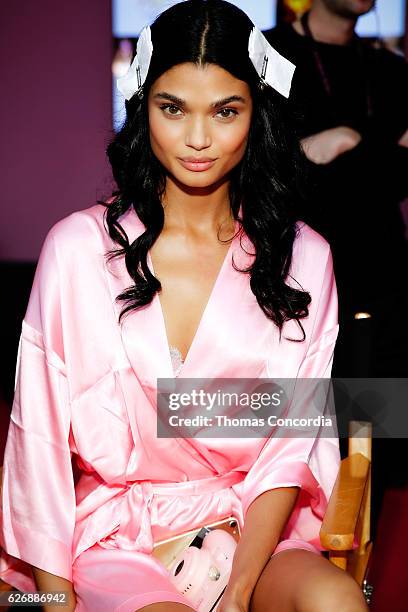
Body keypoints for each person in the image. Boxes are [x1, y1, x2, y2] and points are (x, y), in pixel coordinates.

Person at [0, 1, 368, 611]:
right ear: (144, 108)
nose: (198, 139)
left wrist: (240, 592)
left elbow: (289, 444)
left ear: (258, 115)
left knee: (338, 603)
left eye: (226, 111)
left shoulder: (304, 256)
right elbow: (34, 438)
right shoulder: (78, 248)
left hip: (256, 528)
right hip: (119, 538)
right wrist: (55, 601)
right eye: (173, 108)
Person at [265, 0, 408, 378]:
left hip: (380, 288)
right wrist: (309, 151)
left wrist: (340, 145)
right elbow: (254, 166)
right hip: (289, 282)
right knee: (291, 425)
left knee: (374, 426)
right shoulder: (267, 60)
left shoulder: (390, 70)